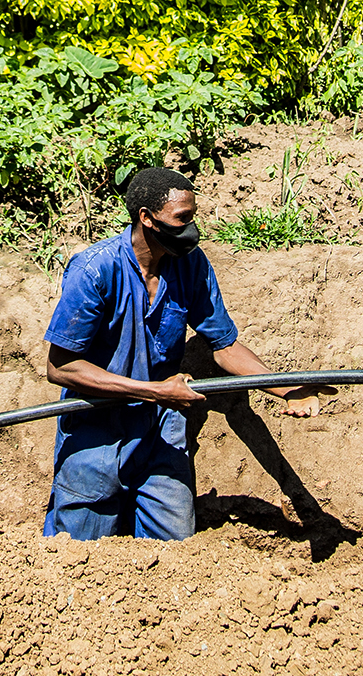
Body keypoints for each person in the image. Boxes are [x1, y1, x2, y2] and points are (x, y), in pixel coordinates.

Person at [41, 166, 332, 541]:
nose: (192, 229)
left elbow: (224, 345)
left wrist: (287, 389)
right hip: (95, 431)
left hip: (160, 431)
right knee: (76, 553)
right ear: (147, 218)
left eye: (193, 217)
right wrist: (158, 391)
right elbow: (61, 367)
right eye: (182, 219)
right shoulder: (96, 270)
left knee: (178, 550)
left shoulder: (191, 265)